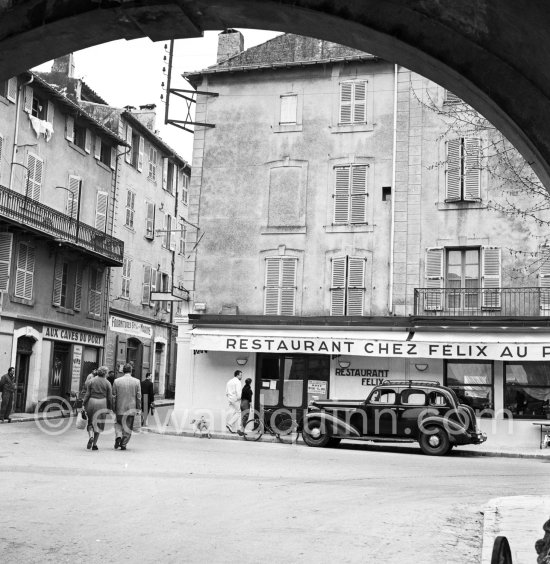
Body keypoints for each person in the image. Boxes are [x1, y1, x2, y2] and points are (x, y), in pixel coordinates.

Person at [112, 363, 141, 450]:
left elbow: (113, 396)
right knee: (128, 426)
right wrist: (138, 408)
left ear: (123, 371)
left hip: (119, 407)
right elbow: (138, 396)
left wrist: (113, 407)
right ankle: (123, 443)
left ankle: (118, 436)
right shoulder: (137, 381)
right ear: (131, 371)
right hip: (131, 408)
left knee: (118, 424)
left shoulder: (116, 381)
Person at [82, 366, 112, 451]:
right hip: (102, 403)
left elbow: (87, 394)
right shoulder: (107, 383)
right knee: (99, 423)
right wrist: (110, 408)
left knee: (90, 422)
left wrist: (83, 403)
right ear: (105, 373)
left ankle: (90, 436)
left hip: (91, 402)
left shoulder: (91, 381)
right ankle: (94, 444)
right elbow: (110, 397)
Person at [225, 369, 243, 435]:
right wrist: (239, 398)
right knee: (239, 412)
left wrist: (229, 397)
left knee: (233, 413)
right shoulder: (237, 382)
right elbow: (239, 392)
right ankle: (230, 424)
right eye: (241, 375)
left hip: (230, 399)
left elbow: (226, 392)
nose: (241, 377)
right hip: (235, 399)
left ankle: (234, 429)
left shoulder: (229, 381)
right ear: (237, 375)